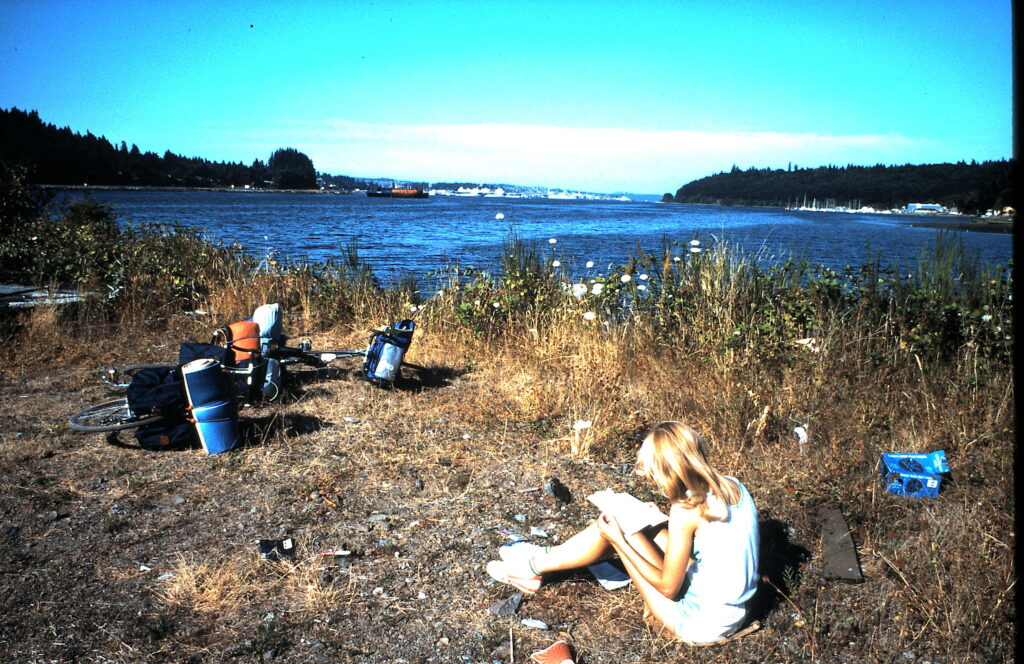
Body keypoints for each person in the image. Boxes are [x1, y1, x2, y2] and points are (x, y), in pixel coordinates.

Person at [485, 421, 759, 644]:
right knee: (637, 522)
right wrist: (659, 522)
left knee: (617, 529)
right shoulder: (735, 487)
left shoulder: (685, 511)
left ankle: (534, 565)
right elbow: (715, 544)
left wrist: (620, 542)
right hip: (734, 612)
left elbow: (668, 587)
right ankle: (537, 563)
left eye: (651, 472)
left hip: (699, 625)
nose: (645, 477)